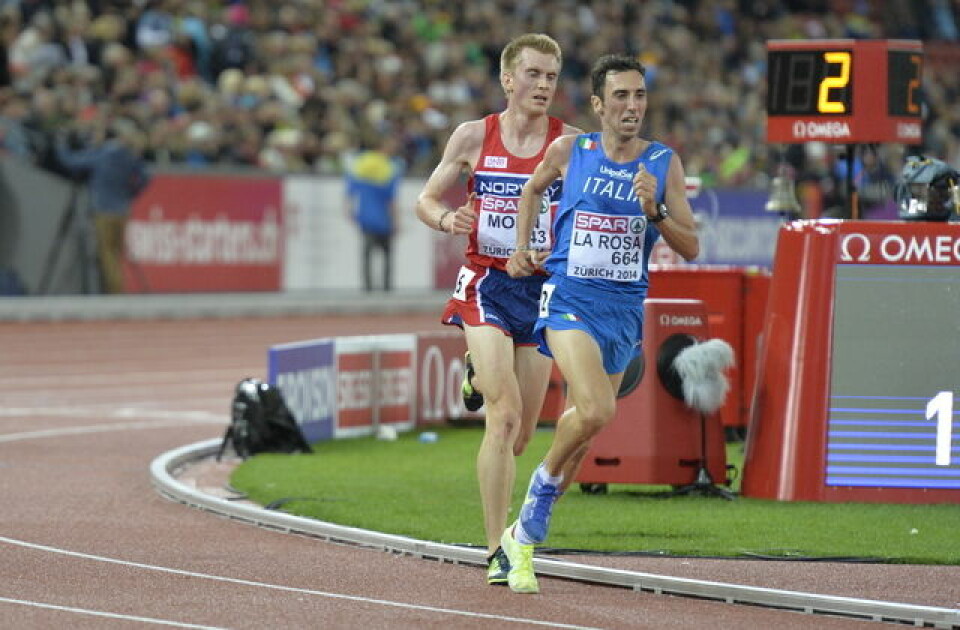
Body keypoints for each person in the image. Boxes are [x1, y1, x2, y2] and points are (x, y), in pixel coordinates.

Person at [503, 53, 700, 594]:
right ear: (598, 104)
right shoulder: (571, 151)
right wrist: (523, 246)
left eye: (639, 95)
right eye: (621, 96)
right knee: (595, 409)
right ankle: (538, 497)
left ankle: (519, 540)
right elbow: (531, 190)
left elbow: (690, 246)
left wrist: (655, 211)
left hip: (623, 311)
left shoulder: (663, 164)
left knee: (584, 436)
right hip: (569, 298)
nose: (632, 106)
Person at [415, 33, 581, 587]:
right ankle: (495, 549)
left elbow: (590, 210)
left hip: (539, 292)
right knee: (502, 415)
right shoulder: (473, 136)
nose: (543, 85)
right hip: (485, 283)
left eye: (551, 76)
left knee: (522, 436)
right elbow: (425, 200)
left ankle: (475, 374)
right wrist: (448, 220)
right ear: (508, 79)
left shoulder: (570, 145)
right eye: (533, 74)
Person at [55, 119, 149, 294]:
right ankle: (113, 289)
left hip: (104, 210)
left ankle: (115, 292)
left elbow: (70, 161)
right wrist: (130, 194)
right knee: (116, 253)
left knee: (107, 254)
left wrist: (61, 144)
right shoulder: (128, 154)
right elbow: (144, 177)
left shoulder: (102, 155)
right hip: (123, 210)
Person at [346, 137, 403, 291]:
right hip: (384, 218)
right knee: (387, 255)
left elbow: (350, 191)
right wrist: (396, 221)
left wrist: (350, 211)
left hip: (366, 216)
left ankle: (367, 288)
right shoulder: (390, 166)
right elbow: (391, 199)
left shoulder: (360, 162)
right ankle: (387, 288)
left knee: (367, 254)